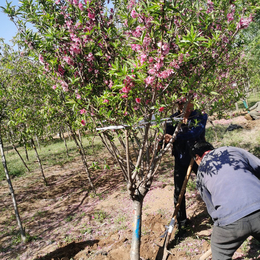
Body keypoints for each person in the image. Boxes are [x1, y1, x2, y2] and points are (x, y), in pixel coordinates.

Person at [190, 141, 260, 260]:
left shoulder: (201, 173)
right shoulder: (232, 150)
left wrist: (225, 228)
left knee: (218, 248)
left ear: (197, 157)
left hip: (230, 221)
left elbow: (212, 209)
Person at [162, 99, 208, 231]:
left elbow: (196, 132)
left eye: (187, 102)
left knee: (208, 185)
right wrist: (164, 140)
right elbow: (168, 137)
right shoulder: (173, 119)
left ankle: (216, 213)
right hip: (181, 158)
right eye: (181, 103)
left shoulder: (201, 116)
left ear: (193, 102)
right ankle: (182, 222)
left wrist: (175, 137)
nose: (184, 106)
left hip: (198, 157)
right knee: (178, 190)